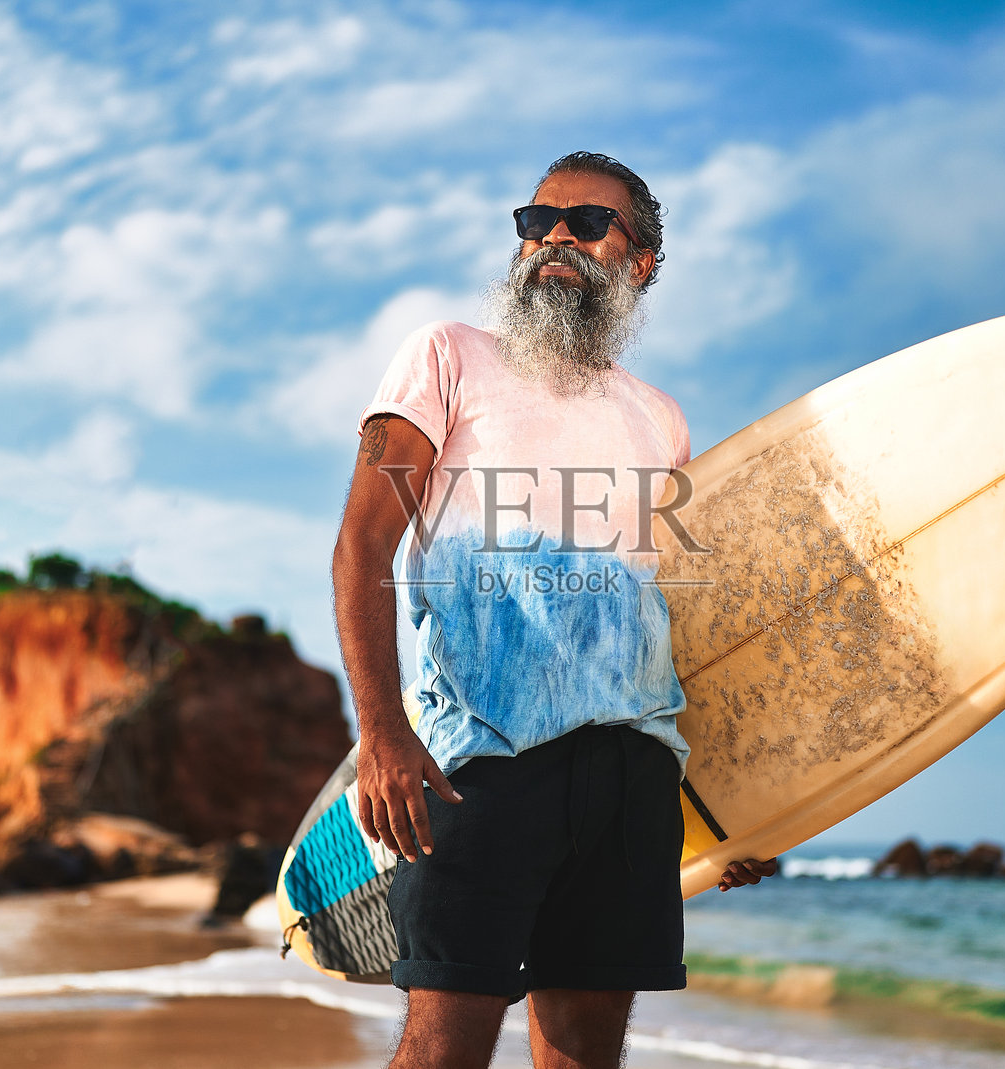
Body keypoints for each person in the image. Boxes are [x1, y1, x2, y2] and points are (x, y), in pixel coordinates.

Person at [333, 151, 777, 1069]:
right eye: (537, 224)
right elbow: (361, 547)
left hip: (630, 780)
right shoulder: (448, 355)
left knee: (583, 1054)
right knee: (443, 1046)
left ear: (641, 260)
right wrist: (380, 731)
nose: (555, 240)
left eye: (586, 223)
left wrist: (729, 812)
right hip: (476, 762)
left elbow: (661, 635)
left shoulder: (662, 420)